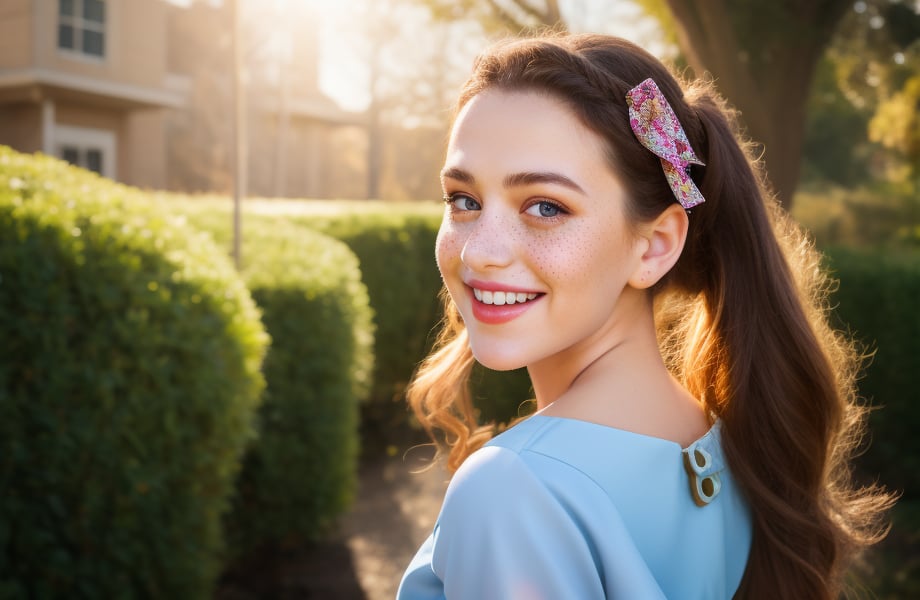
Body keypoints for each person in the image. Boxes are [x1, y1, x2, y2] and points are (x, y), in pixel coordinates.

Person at [397, 33, 891, 599]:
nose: (480, 250)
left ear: (655, 245)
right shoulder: (715, 439)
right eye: (464, 200)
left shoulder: (516, 488)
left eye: (545, 206)